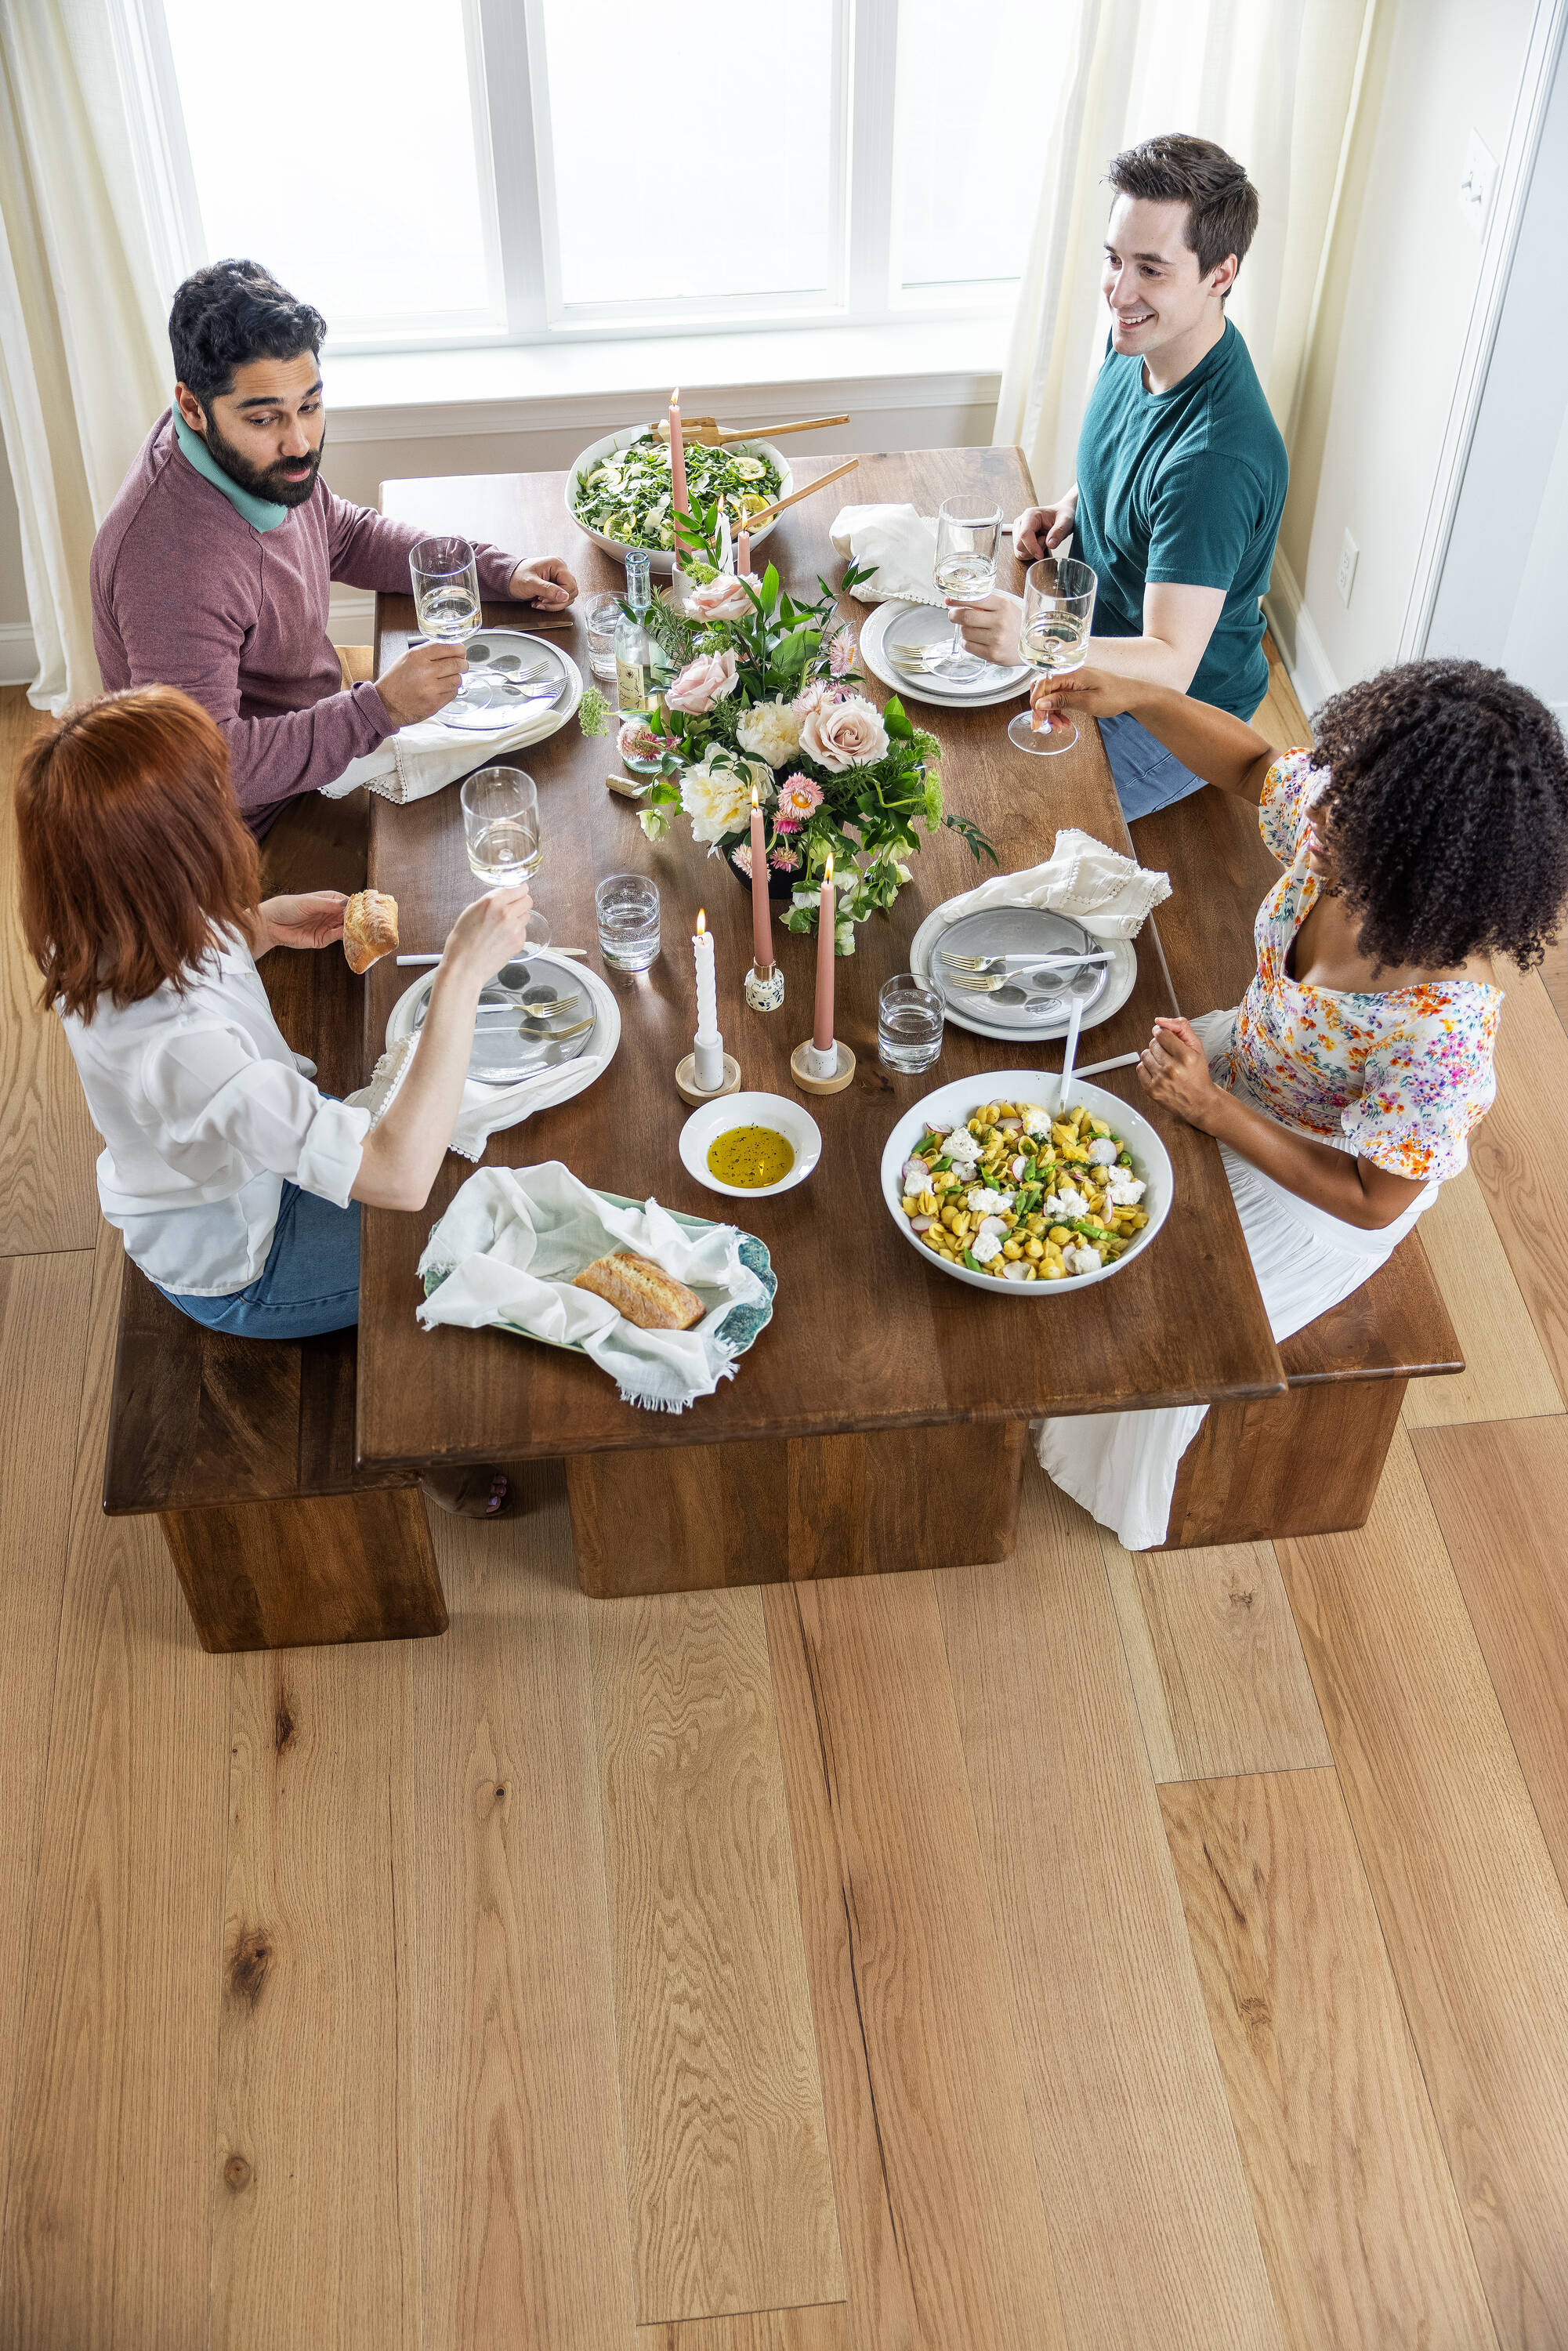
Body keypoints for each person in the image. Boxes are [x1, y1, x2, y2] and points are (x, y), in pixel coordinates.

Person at [1025, 657, 1568, 1549]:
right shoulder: (1341, 825)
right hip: (1251, 1065)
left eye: (1349, 814)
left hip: (1319, 1179)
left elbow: (1371, 1198)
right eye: (1332, 789)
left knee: (1139, 1307)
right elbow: (1251, 770)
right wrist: (1147, 698)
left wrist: (1215, 1111)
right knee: (1051, 1148)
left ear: (1419, 859)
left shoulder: (1443, 1030)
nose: (1314, 813)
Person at [15, 685, 536, 1356]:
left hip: (249, 1162)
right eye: (214, 798)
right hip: (254, 1257)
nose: (231, 808)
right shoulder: (182, 1046)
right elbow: (399, 1180)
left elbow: (181, 976)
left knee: (479, 1134)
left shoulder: (94, 914)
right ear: (169, 853)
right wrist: (462, 974)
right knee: (502, 1221)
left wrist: (255, 927)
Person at [91, 259, 579, 838]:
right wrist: (380, 711)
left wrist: (495, 569)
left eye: (310, 406)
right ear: (193, 407)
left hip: (318, 734)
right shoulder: (170, 565)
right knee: (507, 828)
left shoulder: (248, 462)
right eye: (265, 418)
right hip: (248, 832)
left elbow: (342, 533)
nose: (299, 443)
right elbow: (206, 768)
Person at [959, 134, 1287, 820]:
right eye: (1114, 259)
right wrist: (1071, 507)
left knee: (1004, 814)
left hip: (1173, 714)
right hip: (1089, 641)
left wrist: (1031, 634)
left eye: (1150, 268)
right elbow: (1136, 459)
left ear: (1220, 274)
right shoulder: (1147, 335)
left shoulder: (1213, 462)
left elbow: (1169, 661)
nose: (1120, 291)